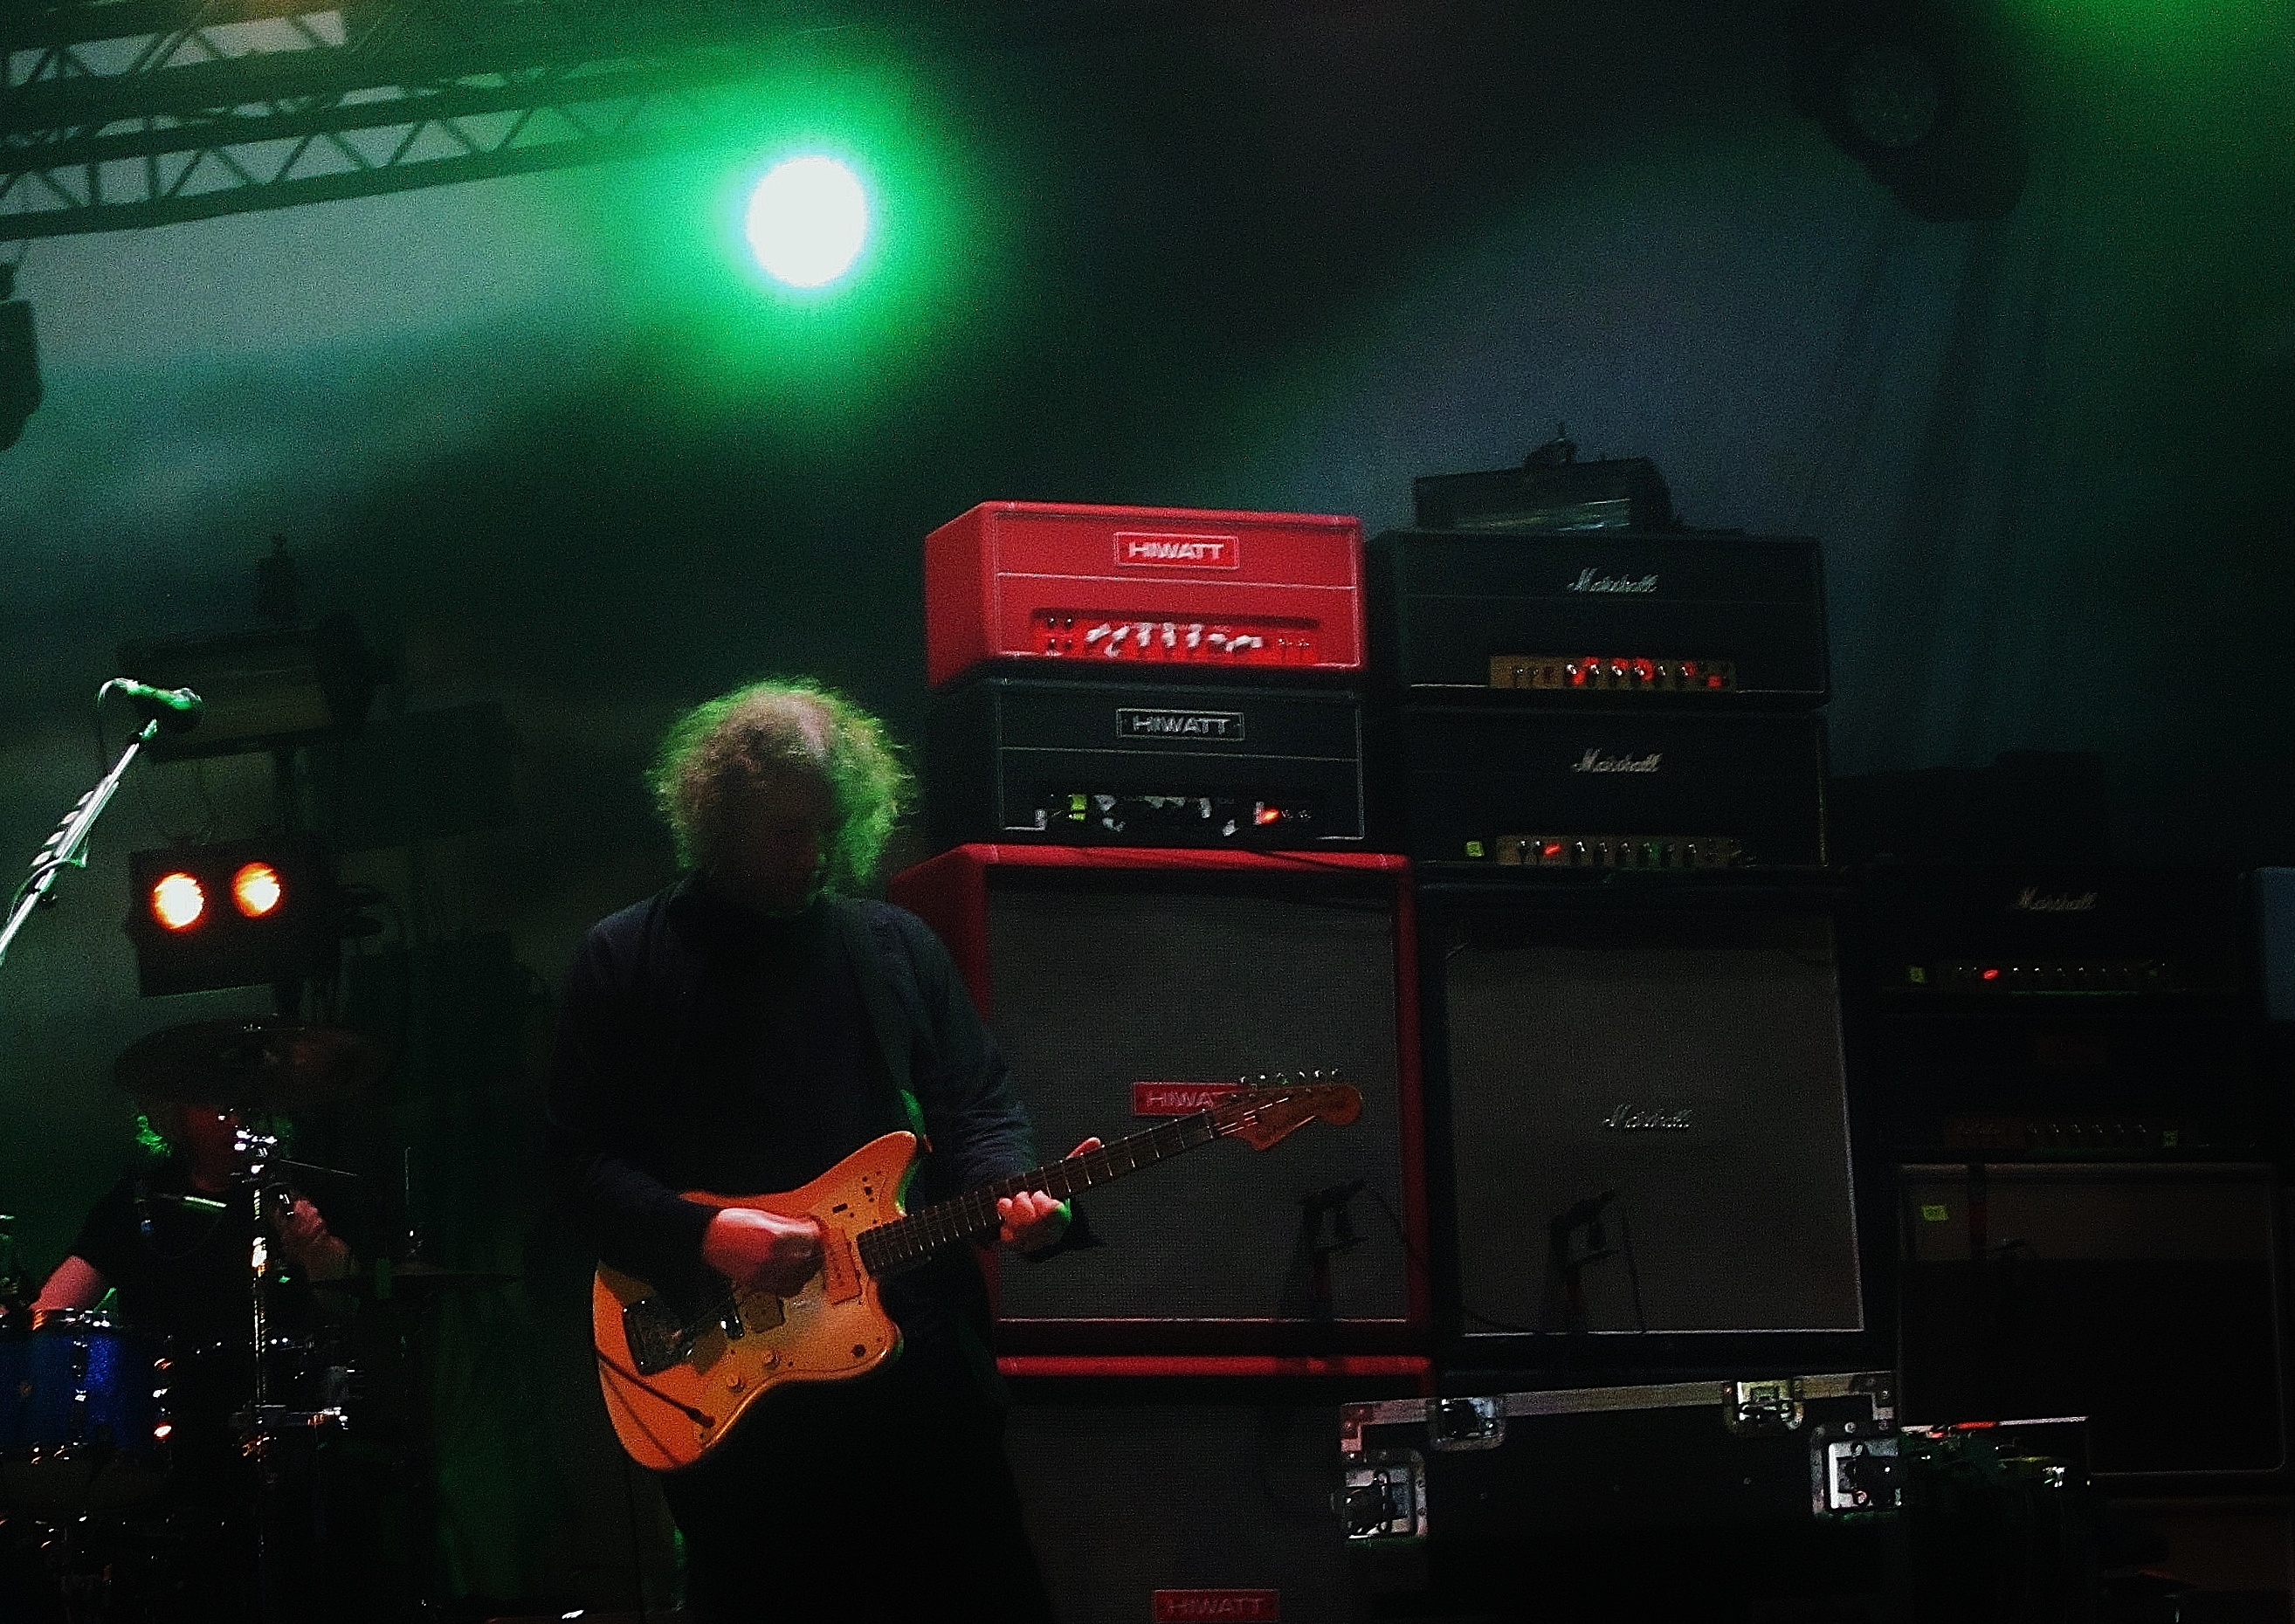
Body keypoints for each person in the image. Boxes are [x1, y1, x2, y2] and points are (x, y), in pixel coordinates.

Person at [546, 678, 1089, 1624]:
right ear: (719, 821)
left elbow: (977, 1108)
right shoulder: (627, 959)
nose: (816, 855)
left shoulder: (894, 948)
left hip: (917, 1379)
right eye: (788, 831)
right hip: (742, 1393)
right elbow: (575, 1169)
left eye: (833, 828)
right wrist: (706, 1235)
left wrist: (1017, 1199)